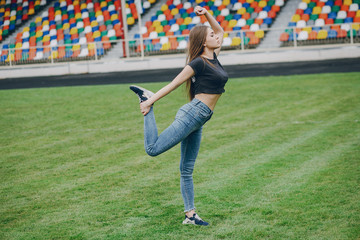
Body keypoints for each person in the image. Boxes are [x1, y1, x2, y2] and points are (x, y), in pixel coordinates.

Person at [130, 6, 228, 226]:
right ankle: (146, 103)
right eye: (211, 36)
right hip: (192, 114)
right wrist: (149, 101)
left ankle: (190, 216)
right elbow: (173, 85)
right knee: (152, 149)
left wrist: (206, 15)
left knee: (187, 169)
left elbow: (220, 30)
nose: (216, 37)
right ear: (203, 42)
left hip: (200, 118)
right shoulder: (197, 63)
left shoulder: (214, 57)